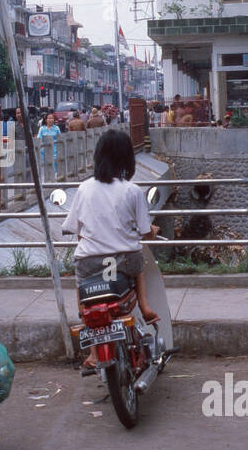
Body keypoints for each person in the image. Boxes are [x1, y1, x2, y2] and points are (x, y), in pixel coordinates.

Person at [61, 128, 161, 375]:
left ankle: (92, 347)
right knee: (138, 267)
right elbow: (146, 230)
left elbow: (73, 227)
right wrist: (153, 230)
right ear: (127, 159)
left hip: (89, 263)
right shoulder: (133, 190)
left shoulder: (84, 188)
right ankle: (145, 306)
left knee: (82, 288)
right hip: (125, 260)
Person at [36, 111, 62, 179]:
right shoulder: (42, 128)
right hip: (45, 150)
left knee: (55, 165)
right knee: (47, 166)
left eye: (52, 118)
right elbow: (39, 138)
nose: (50, 120)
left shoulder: (56, 128)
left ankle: (55, 178)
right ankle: (48, 179)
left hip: (55, 149)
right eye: (49, 118)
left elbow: (60, 138)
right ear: (46, 120)